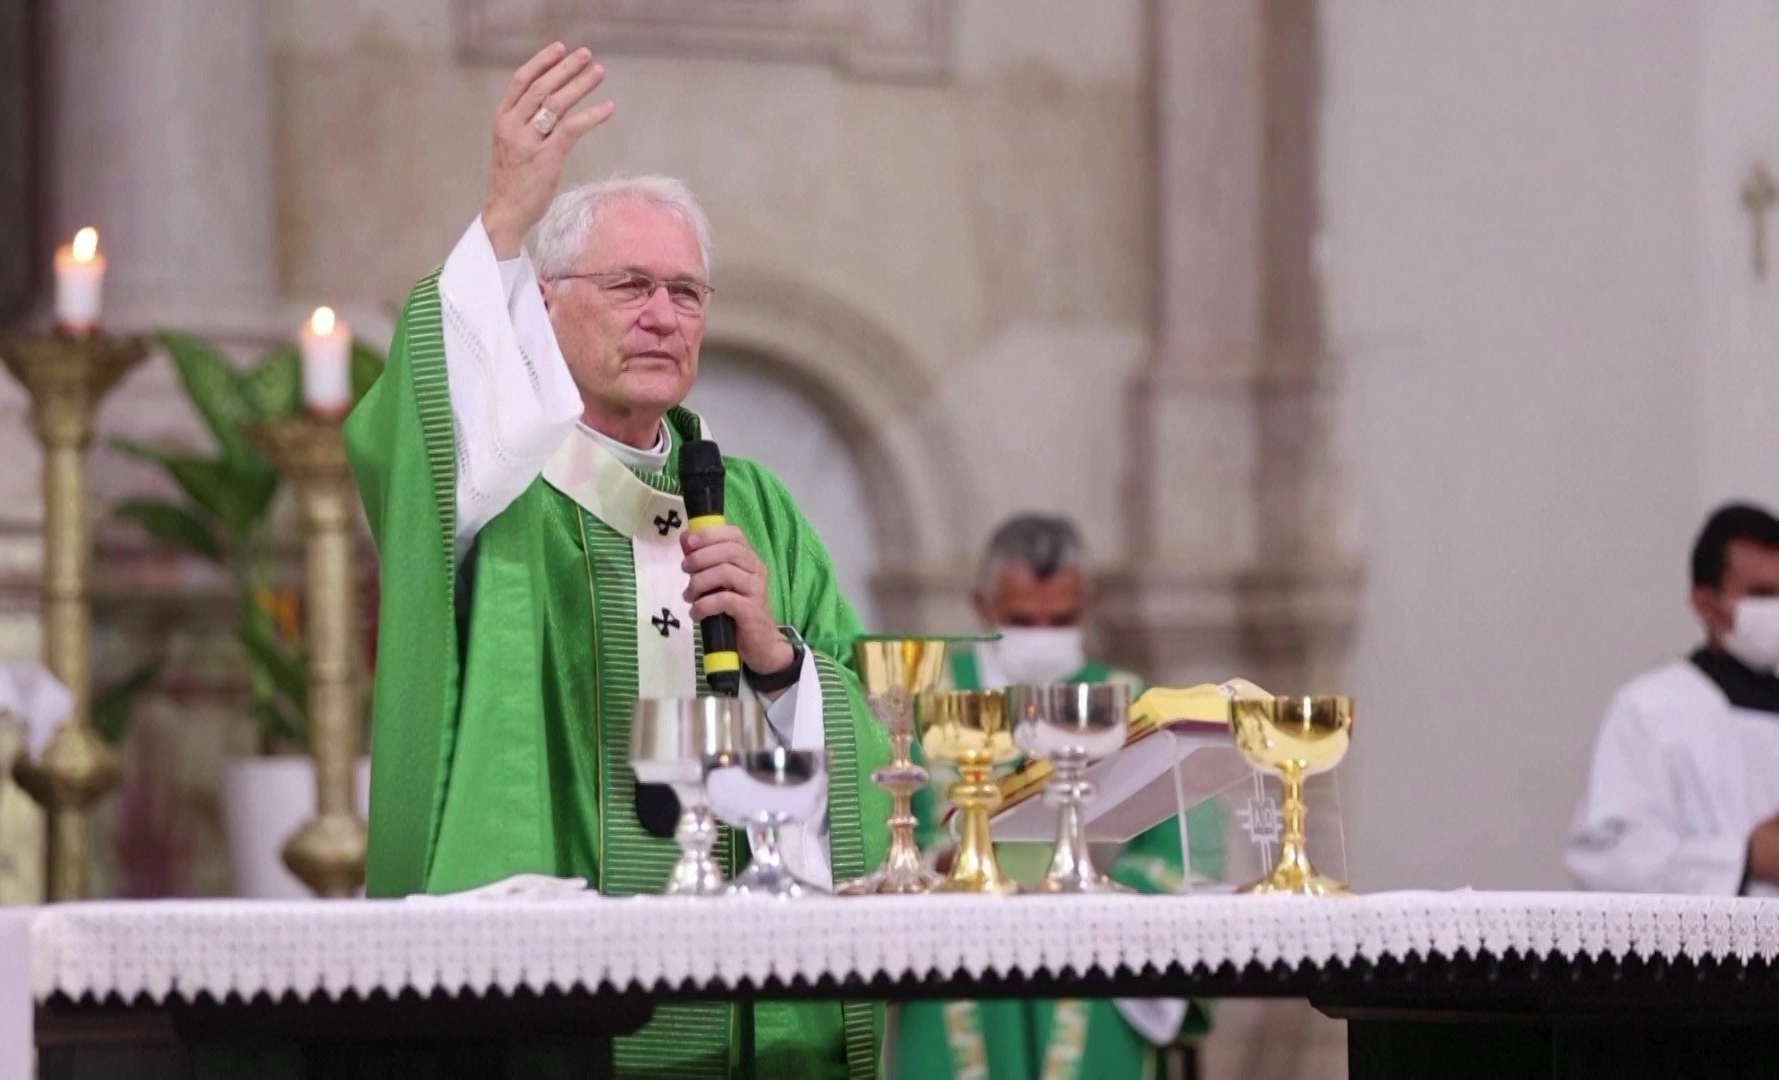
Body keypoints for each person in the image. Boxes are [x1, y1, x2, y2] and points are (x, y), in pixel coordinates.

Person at [345, 42, 887, 1078]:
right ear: (542, 303)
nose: (664, 315)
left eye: (687, 292)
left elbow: (877, 732)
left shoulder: (758, 506)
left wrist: (779, 664)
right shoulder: (505, 492)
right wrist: (503, 216)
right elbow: (413, 439)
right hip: (563, 1013)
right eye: (631, 284)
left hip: (745, 1013)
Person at [894, 515, 1206, 1080]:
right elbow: (888, 828)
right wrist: (936, 864)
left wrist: (1103, 893)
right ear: (981, 606)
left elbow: (1178, 843)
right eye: (1022, 620)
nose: (1042, 634)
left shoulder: (1127, 702)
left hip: (1092, 962)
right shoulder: (928, 697)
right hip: (953, 958)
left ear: (1088, 605)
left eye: (1060, 620)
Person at [1565, 502, 1779, 896]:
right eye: (1762, 595)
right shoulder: (1649, 711)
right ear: (1705, 602)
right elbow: (1605, 859)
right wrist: (1746, 858)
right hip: (1708, 955)